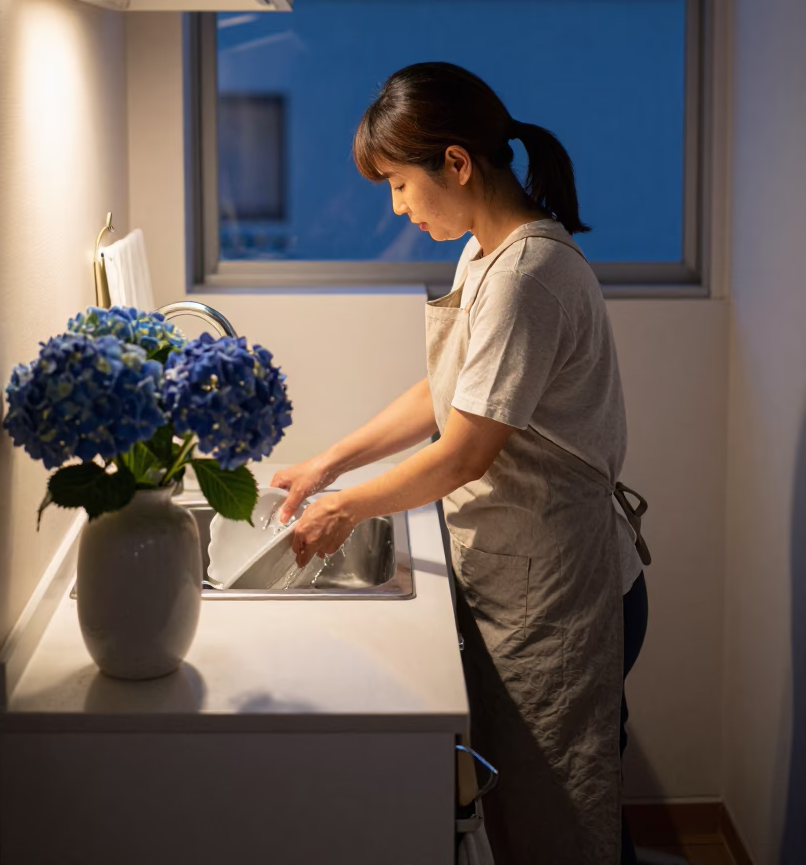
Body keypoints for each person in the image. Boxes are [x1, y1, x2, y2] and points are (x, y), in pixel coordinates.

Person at [272, 61, 649, 865]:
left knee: (565, 821)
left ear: (456, 162)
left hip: (561, 589)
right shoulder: (484, 254)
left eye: (399, 185)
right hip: (523, 573)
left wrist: (348, 506)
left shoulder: (528, 275)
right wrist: (328, 464)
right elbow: (449, 393)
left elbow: (465, 451)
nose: (398, 208)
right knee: (540, 813)